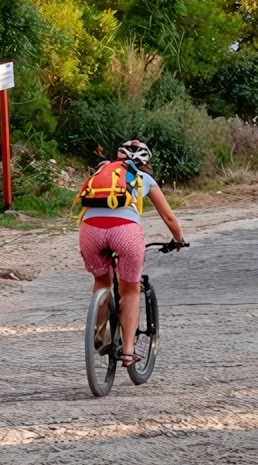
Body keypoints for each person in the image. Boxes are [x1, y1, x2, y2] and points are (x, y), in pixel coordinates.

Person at [77, 139, 185, 367]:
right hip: (125, 234)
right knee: (130, 290)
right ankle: (127, 352)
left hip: (90, 231)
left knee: (101, 280)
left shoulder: (101, 171)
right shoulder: (144, 178)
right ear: (146, 161)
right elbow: (168, 218)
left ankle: (101, 335)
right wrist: (177, 240)